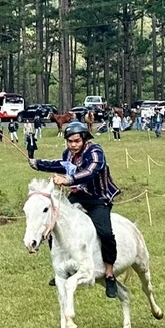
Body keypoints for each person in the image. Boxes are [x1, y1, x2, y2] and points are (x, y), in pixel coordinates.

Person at [30, 121, 121, 299]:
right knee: (54, 224)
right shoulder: (69, 154)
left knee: (106, 233)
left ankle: (109, 273)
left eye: (77, 141)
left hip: (97, 199)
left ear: (84, 139)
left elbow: (90, 172)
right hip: (78, 196)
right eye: (70, 141)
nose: (73, 145)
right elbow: (61, 164)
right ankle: (61, 267)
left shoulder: (96, 152)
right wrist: (38, 163)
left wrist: (68, 180)